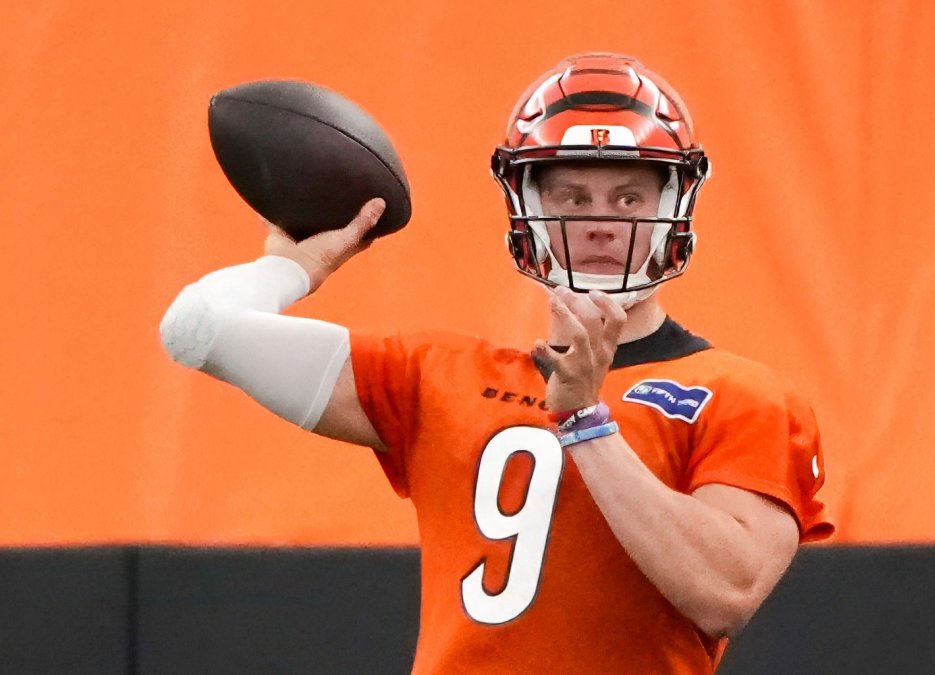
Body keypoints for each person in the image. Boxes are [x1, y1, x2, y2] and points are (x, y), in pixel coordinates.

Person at [161, 53, 831, 674]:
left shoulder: (741, 394)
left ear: (674, 207)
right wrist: (290, 267)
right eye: (572, 197)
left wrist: (585, 422)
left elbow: (725, 589)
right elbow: (198, 330)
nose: (600, 222)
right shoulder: (438, 376)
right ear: (529, 210)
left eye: (629, 198)